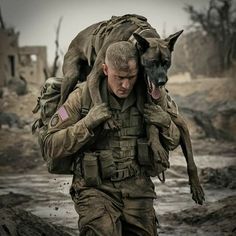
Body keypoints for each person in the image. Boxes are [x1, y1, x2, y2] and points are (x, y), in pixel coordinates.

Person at [43, 41, 180, 236]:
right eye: (119, 77)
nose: (126, 85)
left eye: (131, 77)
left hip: (138, 189)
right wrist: (87, 123)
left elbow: (174, 142)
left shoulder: (151, 95)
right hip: (95, 189)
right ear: (105, 69)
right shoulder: (81, 98)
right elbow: (49, 145)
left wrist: (165, 122)